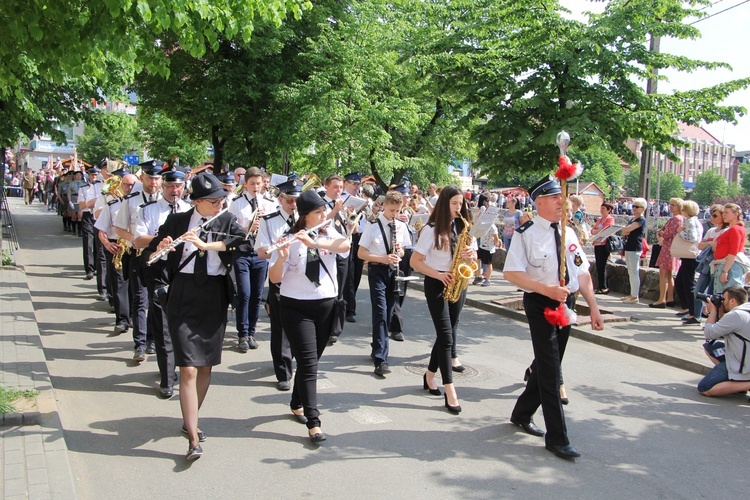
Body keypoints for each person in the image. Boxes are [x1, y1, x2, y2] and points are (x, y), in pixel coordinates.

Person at [146, 172, 246, 460]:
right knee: (188, 368)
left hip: (214, 294)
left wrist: (208, 245)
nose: (219, 205)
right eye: (214, 202)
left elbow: (243, 242)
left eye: (221, 200)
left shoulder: (225, 220)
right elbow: (151, 259)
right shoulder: (178, 221)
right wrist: (162, 249)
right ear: (198, 202)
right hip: (183, 294)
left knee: (205, 366)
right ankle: (192, 437)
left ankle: (191, 418)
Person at [504, 175, 604, 460]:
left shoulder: (568, 232)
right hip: (541, 302)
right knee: (551, 371)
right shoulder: (526, 234)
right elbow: (511, 273)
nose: (562, 201)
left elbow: (581, 273)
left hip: (566, 303)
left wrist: (593, 307)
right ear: (539, 202)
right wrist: (545, 288)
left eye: (562, 196)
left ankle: (522, 413)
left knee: (551, 362)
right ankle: (557, 438)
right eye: (554, 197)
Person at [269, 190, 350, 443]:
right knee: (308, 364)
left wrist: (315, 243)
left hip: (326, 305)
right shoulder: (287, 238)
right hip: (295, 306)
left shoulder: (329, 233)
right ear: (305, 216)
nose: (324, 215)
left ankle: (296, 401)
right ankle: (314, 422)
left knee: (310, 360)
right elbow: (275, 278)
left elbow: (345, 246)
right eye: (318, 212)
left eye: (324, 211)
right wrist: (281, 258)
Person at [410, 185, 477, 414]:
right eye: (455, 204)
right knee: (447, 337)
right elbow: (415, 261)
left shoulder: (462, 226)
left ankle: (429, 375)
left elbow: (472, 253)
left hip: (458, 281)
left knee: (445, 333)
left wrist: (470, 254)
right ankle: (450, 390)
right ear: (444, 204)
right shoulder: (431, 230)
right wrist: (438, 274)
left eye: (461, 204)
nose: (459, 208)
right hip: (437, 283)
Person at [134, 166, 191, 398]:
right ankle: (167, 378)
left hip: (184, 270)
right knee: (163, 326)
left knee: (183, 325)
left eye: (178, 186)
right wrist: (160, 240)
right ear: (162, 187)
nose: (174, 190)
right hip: (159, 269)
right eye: (170, 186)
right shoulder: (147, 210)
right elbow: (138, 240)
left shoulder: (191, 210)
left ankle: (181, 367)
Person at [358, 190, 410, 376]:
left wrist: (399, 251)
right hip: (377, 270)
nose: (394, 214)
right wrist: (383, 258)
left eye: (397, 211)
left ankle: (376, 346)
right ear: (384, 206)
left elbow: (403, 251)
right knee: (380, 311)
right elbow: (361, 253)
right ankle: (381, 359)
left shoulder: (401, 226)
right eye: (391, 210)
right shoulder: (372, 225)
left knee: (388, 313)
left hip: (392, 271)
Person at [255, 179, 301, 391]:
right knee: (280, 327)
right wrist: (277, 247)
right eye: (290, 200)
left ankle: (292, 358)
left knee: (300, 325)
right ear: (281, 199)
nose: (294, 205)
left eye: (296, 201)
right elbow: (261, 252)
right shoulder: (269, 221)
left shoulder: (306, 219)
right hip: (279, 277)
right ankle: (283, 371)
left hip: (302, 278)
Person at [115, 162, 163, 360]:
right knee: (139, 300)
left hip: (159, 257)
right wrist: (134, 240)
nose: (153, 182)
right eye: (150, 178)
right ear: (142, 177)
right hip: (137, 255)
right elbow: (119, 227)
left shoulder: (165, 200)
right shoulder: (131, 200)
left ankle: (152, 339)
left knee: (156, 300)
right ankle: (140, 344)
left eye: (156, 178)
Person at [228, 167, 276, 352]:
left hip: (260, 253)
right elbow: (230, 227)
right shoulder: (236, 202)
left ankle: (251, 333)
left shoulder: (270, 202)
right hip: (242, 251)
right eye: (252, 184)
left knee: (256, 295)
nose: (256, 187)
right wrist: (248, 224)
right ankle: (242, 333)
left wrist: (265, 221)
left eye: (259, 183)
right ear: (245, 184)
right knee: (244, 293)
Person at [699, 286, 750, 397]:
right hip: (744, 355)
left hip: (744, 364)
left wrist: (712, 312)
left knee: (705, 388)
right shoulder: (745, 310)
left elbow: (709, 334)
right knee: (711, 348)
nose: (722, 302)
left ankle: (746, 383)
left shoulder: (736, 315)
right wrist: (720, 312)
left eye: (724, 299)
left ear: (732, 301)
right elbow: (722, 329)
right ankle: (737, 382)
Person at [693, 206, 725, 323]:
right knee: (698, 291)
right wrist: (711, 243)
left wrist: (710, 243)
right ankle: (697, 316)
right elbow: (700, 245)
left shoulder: (725, 231)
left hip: (717, 264)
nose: (712, 218)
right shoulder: (711, 231)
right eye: (711, 215)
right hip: (707, 264)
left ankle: (712, 318)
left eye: (715, 215)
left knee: (712, 293)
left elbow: (718, 248)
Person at [674, 201, 703, 324]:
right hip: (690, 256)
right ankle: (688, 309)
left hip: (690, 257)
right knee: (680, 281)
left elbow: (692, 238)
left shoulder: (690, 221)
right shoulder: (695, 221)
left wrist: (680, 231)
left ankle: (693, 312)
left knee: (687, 284)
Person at [651, 198, 684, 308]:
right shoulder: (681, 219)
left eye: (673, 205)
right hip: (674, 248)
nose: (670, 207)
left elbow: (666, 234)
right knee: (669, 275)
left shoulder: (675, 219)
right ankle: (670, 298)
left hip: (668, 248)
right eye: (670, 204)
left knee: (663, 274)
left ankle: (662, 299)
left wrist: (661, 232)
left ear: (679, 206)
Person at [711, 203, 746, 294]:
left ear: (735, 215)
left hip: (730, 266)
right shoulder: (734, 228)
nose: (724, 215)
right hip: (726, 265)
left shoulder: (735, 229)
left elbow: (733, 252)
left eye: (726, 212)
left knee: (727, 297)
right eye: (723, 213)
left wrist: (725, 271)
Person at [620, 198, 647, 304]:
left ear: (643, 208)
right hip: (629, 246)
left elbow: (627, 230)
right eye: (633, 206)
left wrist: (625, 229)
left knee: (634, 271)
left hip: (635, 247)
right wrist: (625, 229)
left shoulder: (641, 220)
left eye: (637, 207)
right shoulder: (633, 219)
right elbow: (626, 232)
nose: (634, 209)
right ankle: (632, 294)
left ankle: (635, 296)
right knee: (630, 272)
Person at [590, 202, 614, 294]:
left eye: (603, 208)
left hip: (604, 244)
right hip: (597, 243)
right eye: (601, 208)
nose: (601, 210)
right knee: (598, 265)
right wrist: (597, 231)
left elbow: (607, 230)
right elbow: (592, 230)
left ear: (609, 210)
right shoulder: (600, 219)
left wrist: (597, 231)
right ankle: (600, 286)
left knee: (602, 265)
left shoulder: (610, 219)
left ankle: (603, 287)